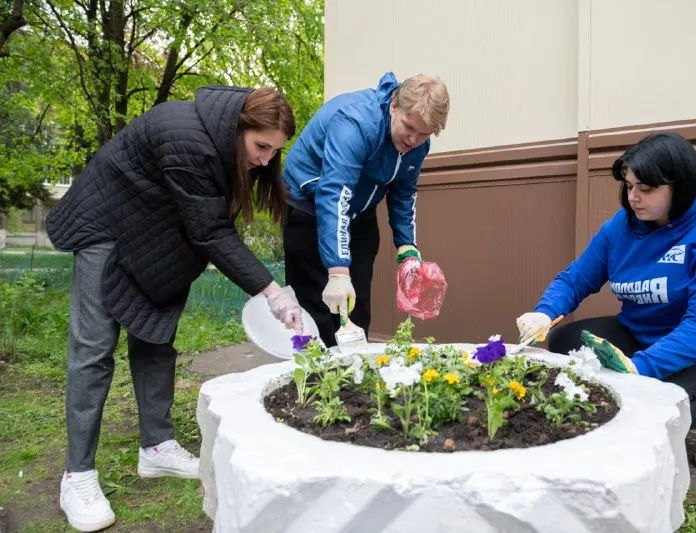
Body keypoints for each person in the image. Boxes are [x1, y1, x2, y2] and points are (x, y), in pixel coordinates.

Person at [46, 85, 302, 532]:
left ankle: (156, 447)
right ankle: (77, 475)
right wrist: (272, 291)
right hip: (104, 226)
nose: (264, 160)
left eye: (273, 152)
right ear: (238, 126)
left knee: (155, 338)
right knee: (93, 350)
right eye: (261, 146)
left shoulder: (225, 146)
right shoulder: (189, 137)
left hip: (153, 235)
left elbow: (205, 222)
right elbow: (210, 231)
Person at [516, 132, 696, 474]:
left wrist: (641, 369)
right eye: (629, 185)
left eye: (646, 189)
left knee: (647, 398)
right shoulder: (621, 228)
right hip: (645, 335)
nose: (633, 197)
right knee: (565, 341)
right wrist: (544, 313)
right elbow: (577, 278)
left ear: (680, 187)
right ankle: (645, 386)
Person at [282, 72, 450, 347]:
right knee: (317, 310)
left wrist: (407, 247)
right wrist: (337, 272)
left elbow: (403, 191)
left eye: (424, 134)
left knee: (357, 304)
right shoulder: (355, 123)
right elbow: (334, 194)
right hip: (310, 207)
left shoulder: (418, 143)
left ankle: (352, 383)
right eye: (409, 127)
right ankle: (312, 383)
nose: (413, 140)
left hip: (359, 213)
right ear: (394, 106)